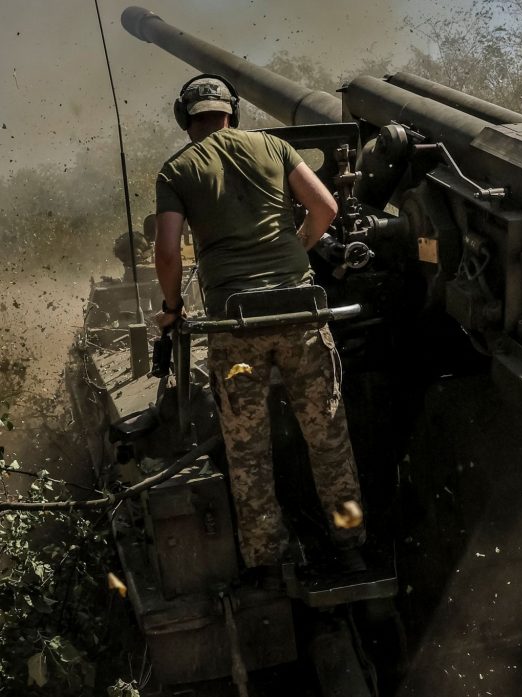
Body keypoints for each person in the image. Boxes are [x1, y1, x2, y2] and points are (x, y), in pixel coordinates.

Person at [152, 74, 364, 576]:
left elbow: (166, 252)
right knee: (329, 438)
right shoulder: (272, 146)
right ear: (233, 111)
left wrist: (173, 309)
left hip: (237, 323)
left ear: (187, 119)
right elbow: (326, 207)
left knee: (249, 452)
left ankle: (268, 561)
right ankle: (351, 544)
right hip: (302, 313)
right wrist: (300, 249)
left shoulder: (176, 170)